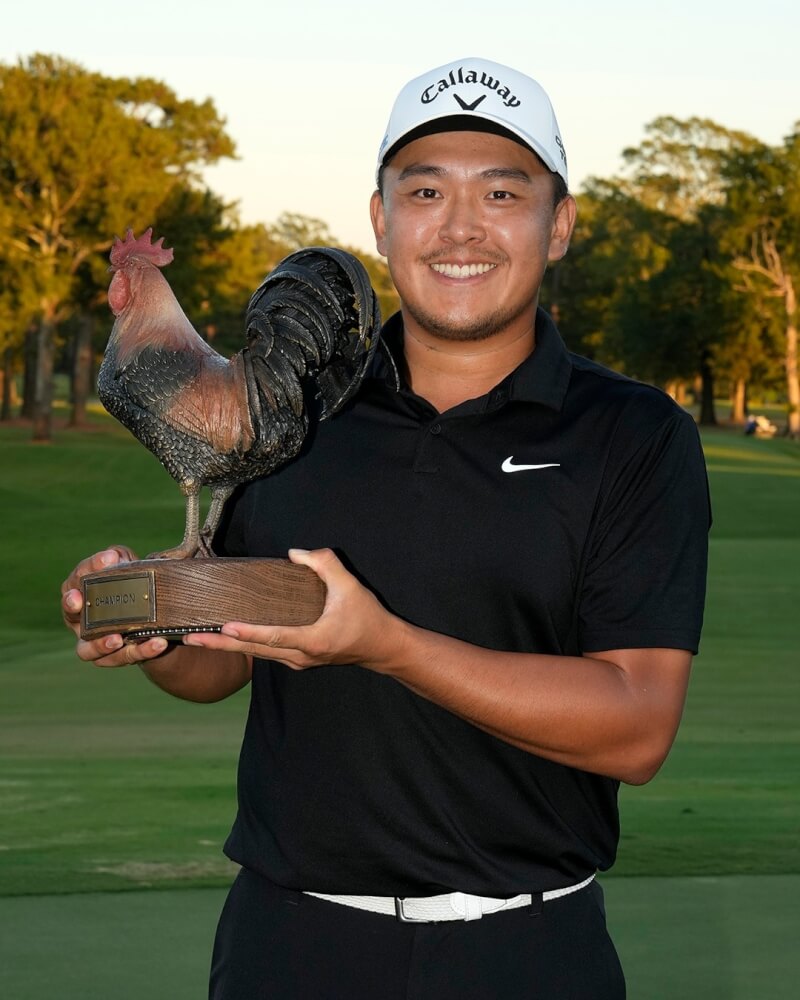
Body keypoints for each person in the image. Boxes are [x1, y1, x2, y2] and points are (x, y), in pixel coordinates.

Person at [62, 57, 711, 999]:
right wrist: (159, 627)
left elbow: (637, 729)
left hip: (527, 952)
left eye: (501, 190)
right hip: (290, 947)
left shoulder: (634, 433)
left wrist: (387, 646)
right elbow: (228, 661)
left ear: (558, 223)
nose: (459, 227)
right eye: (424, 190)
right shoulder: (294, 414)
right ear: (380, 218)